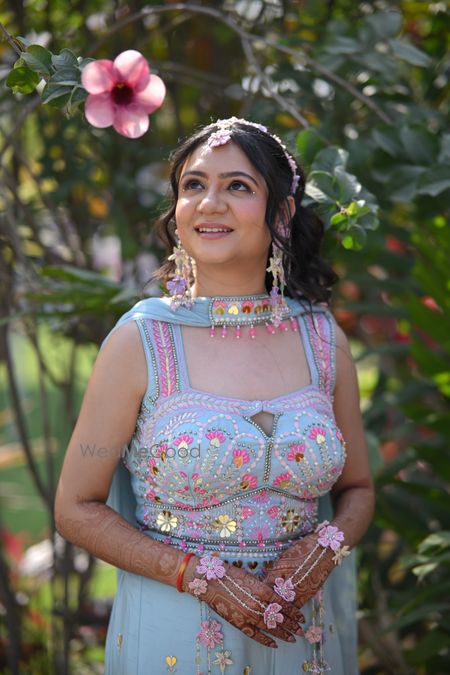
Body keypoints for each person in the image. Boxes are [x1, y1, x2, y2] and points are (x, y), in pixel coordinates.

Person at [55, 117, 374, 675]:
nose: (210, 203)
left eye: (238, 186)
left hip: (300, 633)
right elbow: (75, 508)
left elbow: (359, 489)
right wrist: (199, 575)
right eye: (194, 185)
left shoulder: (322, 339)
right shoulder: (142, 341)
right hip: (176, 636)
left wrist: (324, 550)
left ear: (281, 213)